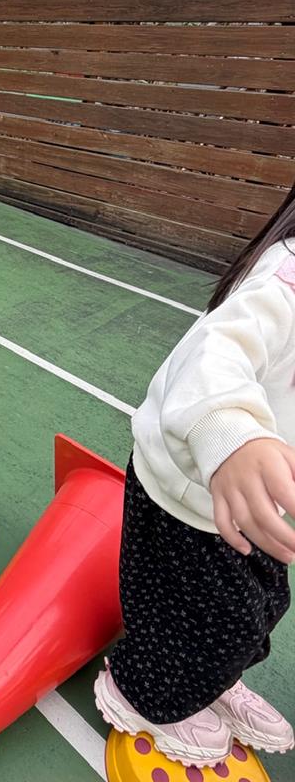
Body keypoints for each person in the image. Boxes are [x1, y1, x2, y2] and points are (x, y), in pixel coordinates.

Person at [94, 184, 295, 767]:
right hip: (189, 488)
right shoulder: (286, 278)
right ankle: (140, 691)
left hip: (253, 497)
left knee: (263, 606)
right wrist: (230, 433)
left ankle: (211, 682)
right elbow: (216, 351)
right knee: (209, 616)